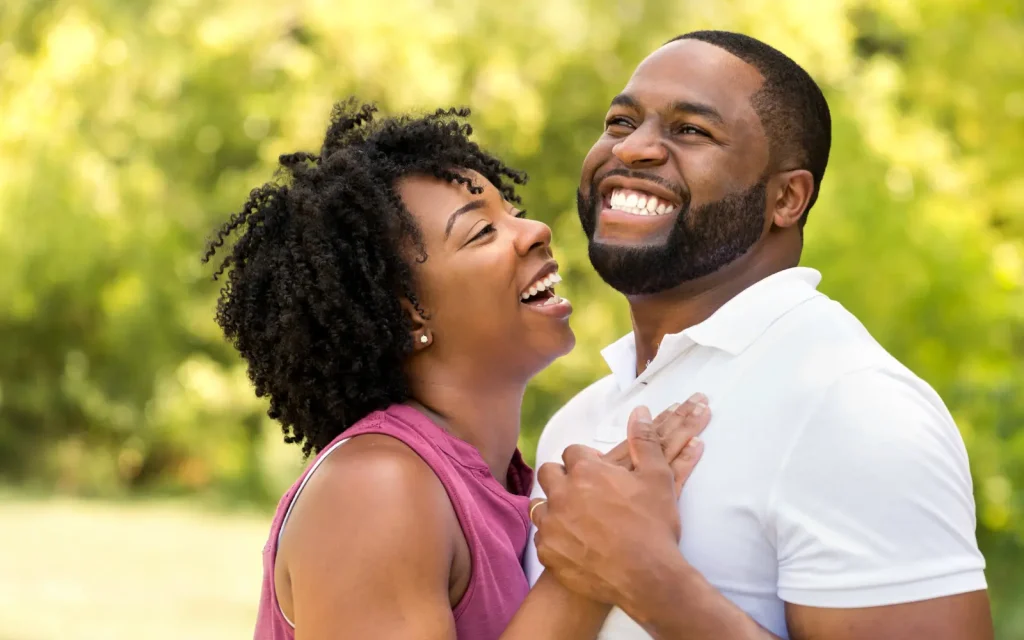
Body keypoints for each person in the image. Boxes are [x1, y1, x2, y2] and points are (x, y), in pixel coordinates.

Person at [525, 30, 993, 639]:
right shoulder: (576, 421)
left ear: (786, 199)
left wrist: (653, 584)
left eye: (690, 130)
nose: (634, 148)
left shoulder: (851, 404)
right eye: (620, 122)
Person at [203, 100, 712, 639]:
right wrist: (587, 568)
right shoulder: (375, 488)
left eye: (511, 212)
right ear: (407, 313)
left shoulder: (501, 477)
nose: (535, 230)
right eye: (481, 233)